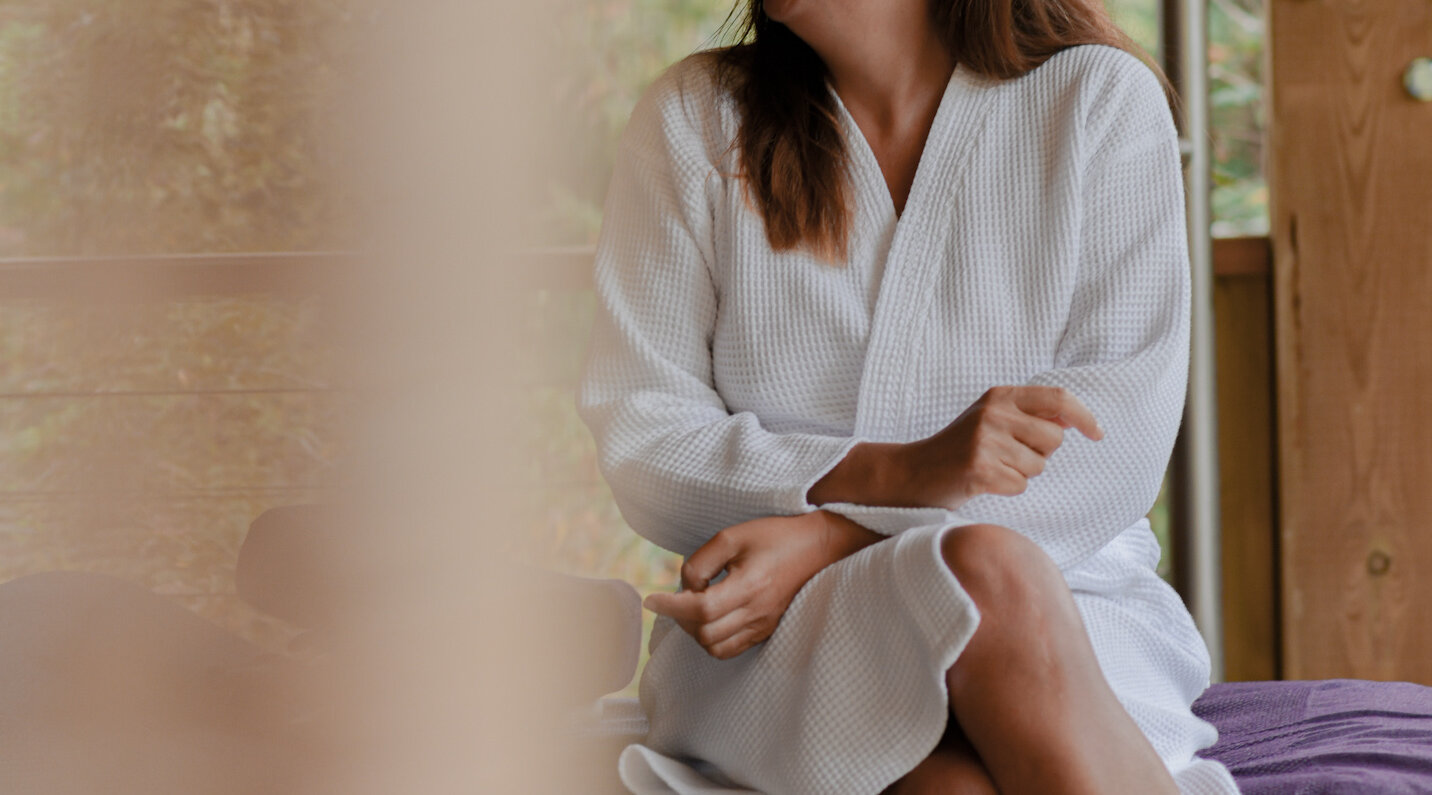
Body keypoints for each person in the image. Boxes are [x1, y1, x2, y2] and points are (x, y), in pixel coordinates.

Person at [577, 0, 1241, 793]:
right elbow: (644, 437)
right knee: (984, 579)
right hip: (786, 636)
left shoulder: (1099, 100)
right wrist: (896, 472)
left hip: (1066, 603)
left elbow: (1115, 450)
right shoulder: (695, 120)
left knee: (976, 644)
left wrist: (831, 536)